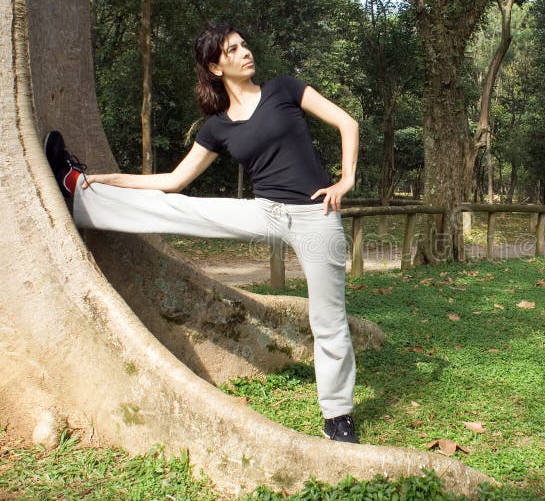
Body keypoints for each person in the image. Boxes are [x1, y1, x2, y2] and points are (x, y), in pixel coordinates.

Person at [45, 23, 360, 443]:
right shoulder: (217, 126)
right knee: (176, 206)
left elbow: (347, 122)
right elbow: (174, 180)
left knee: (329, 318)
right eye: (233, 49)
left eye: (244, 44)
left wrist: (345, 182)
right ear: (216, 66)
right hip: (264, 212)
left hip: (316, 212)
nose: (245, 52)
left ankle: (338, 418)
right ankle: (78, 190)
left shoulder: (284, 89)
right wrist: (104, 178)